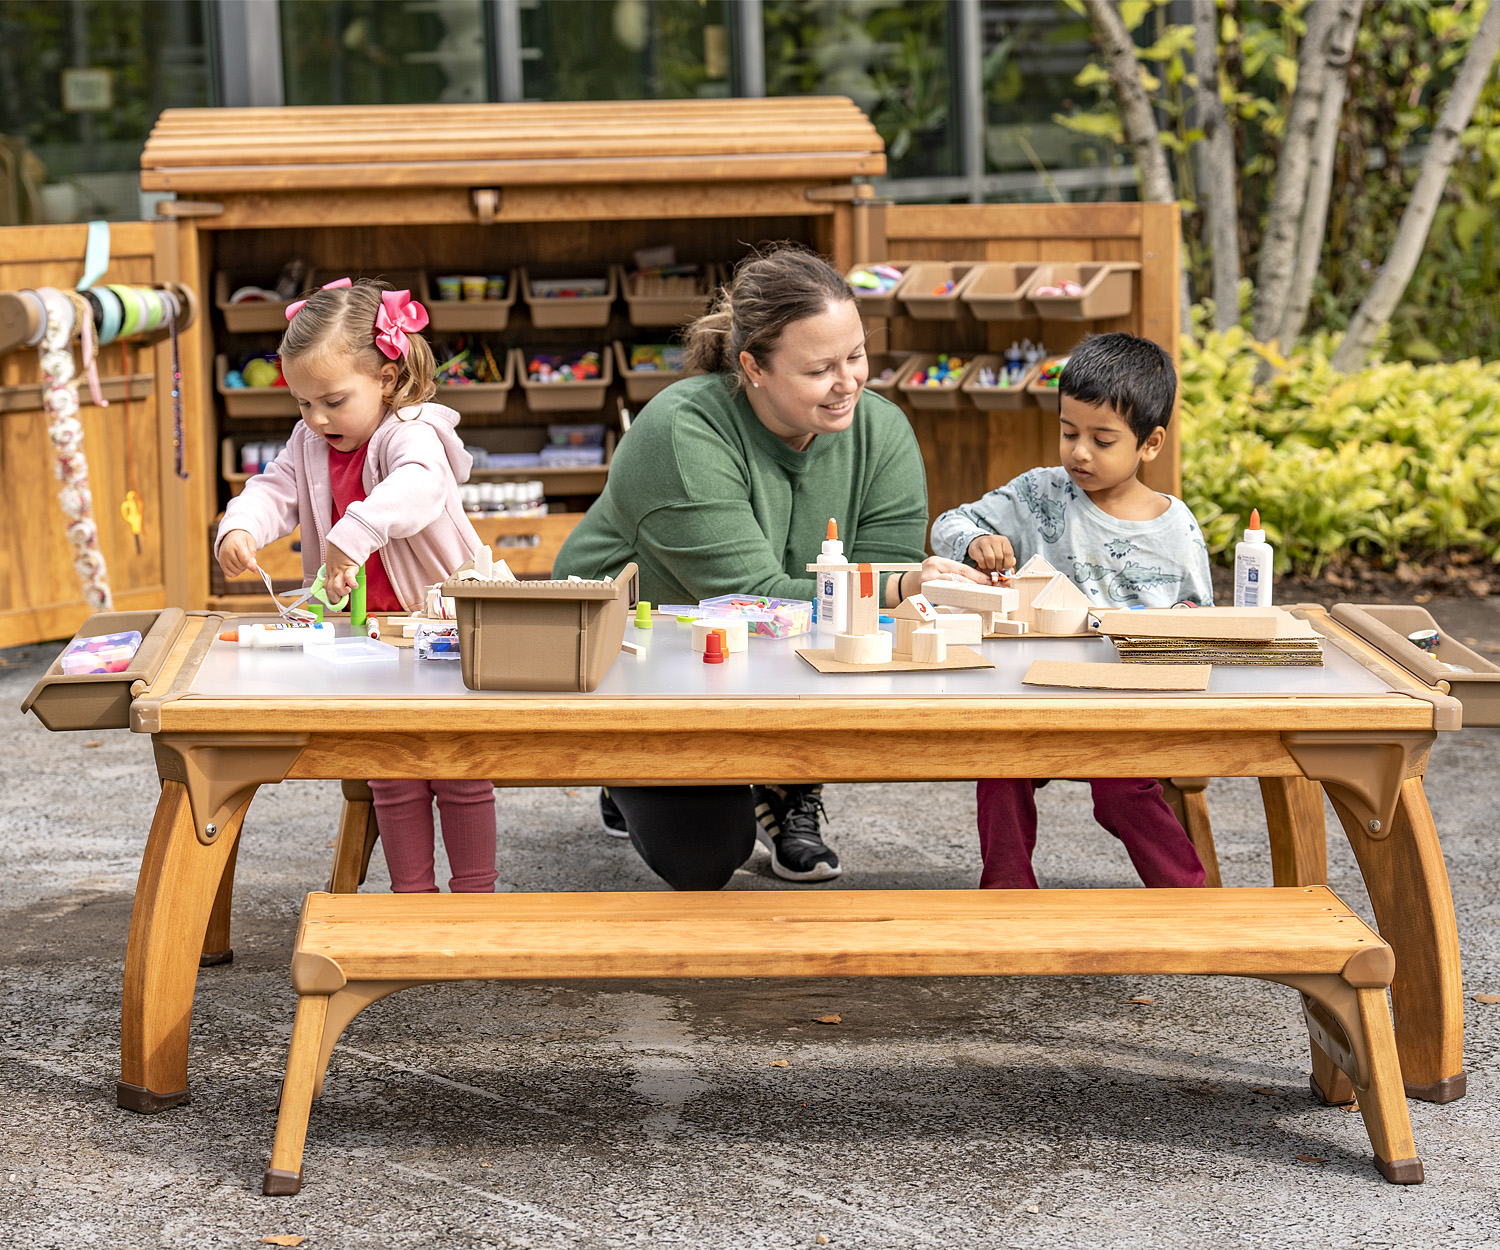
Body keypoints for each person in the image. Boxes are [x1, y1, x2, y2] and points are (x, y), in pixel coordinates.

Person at [554, 246, 982, 889]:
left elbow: (875, 605)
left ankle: (786, 781)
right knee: (704, 859)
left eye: (856, 356)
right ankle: (628, 771)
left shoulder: (882, 431)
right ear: (752, 366)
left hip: (769, 650)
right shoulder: (682, 428)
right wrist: (905, 584)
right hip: (639, 655)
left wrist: (907, 587)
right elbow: (754, 598)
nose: (849, 383)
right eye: (819, 369)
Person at [215, 277, 497, 896]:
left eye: (333, 401)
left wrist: (357, 527)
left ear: (388, 381)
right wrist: (240, 526)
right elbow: (274, 489)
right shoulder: (308, 441)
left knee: (458, 768)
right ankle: (411, 900)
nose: (316, 420)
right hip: (367, 638)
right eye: (302, 404)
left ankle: (477, 900)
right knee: (389, 771)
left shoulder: (411, 431)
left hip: (444, 629)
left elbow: (421, 486)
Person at [929, 332, 1214, 890]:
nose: (1079, 451)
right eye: (1068, 432)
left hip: (1128, 708)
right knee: (1002, 765)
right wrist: (973, 545)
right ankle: (1007, 890)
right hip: (1034, 692)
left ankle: (1189, 896)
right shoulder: (1040, 494)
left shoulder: (1174, 528)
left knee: (1119, 789)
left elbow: (1198, 622)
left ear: (1150, 444)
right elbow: (948, 525)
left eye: (1102, 439)